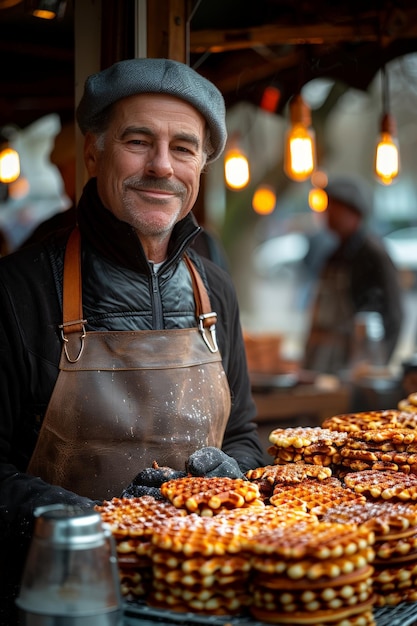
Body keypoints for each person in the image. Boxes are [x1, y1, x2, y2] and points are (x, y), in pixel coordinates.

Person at [0, 57, 265, 624]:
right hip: (61, 601)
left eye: (184, 148)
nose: (162, 167)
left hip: (199, 600)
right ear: (94, 154)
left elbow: (244, 434)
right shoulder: (19, 290)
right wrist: (86, 520)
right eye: (138, 141)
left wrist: (232, 472)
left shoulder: (214, 288)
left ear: (202, 166)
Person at [303, 174, 403, 377]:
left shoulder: (373, 254)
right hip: (325, 363)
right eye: (327, 206)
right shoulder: (333, 255)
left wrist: (378, 365)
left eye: (335, 207)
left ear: (354, 213)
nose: (327, 213)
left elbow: (394, 314)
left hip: (356, 367)